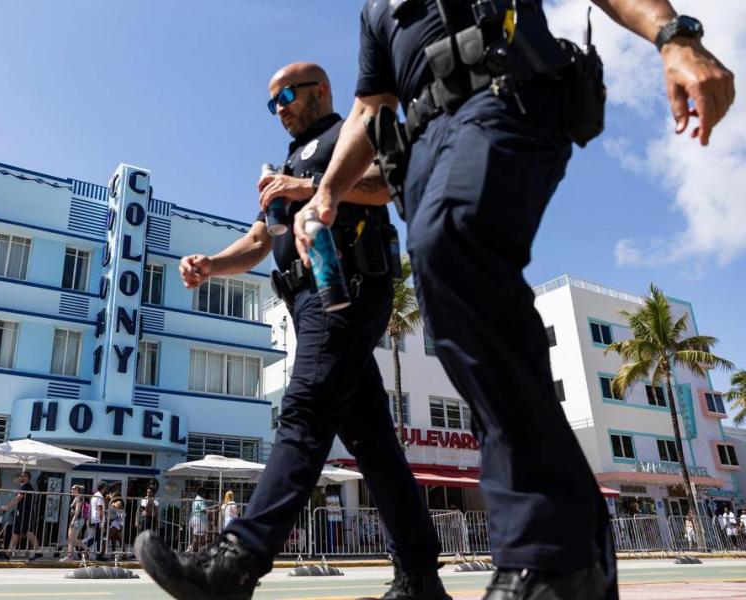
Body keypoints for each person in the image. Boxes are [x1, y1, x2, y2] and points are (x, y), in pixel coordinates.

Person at [293, 2, 734, 598]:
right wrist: (325, 194)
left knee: (450, 241)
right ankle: (575, 553)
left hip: (507, 98)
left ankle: (549, 548)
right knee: (456, 308)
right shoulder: (376, 12)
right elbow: (372, 109)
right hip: (425, 154)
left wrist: (675, 38)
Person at [136, 61, 445, 600]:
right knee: (375, 446)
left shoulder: (344, 134)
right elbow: (259, 241)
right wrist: (210, 263)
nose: (278, 110)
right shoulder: (283, 161)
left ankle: (236, 564)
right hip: (305, 300)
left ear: (320, 90)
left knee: (303, 412)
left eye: (286, 97)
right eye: (270, 103)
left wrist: (308, 187)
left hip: (345, 286)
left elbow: (388, 185)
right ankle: (419, 577)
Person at [0, 471, 41, 561]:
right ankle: (8, 553)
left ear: (28, 478)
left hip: (25, 514)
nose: (21, 477)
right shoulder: (25, 486)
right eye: (20, 476)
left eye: (24, 476)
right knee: (20, 532)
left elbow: (18, 498)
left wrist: (7, 506)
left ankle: (8, 553)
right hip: (24, 513)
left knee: (23, 533)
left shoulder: (26, 486)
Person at [60, 484, 88, 562]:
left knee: (71, 538)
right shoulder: (76, 498)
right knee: (72, 539)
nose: (71, 490)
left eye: (72, 489)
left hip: (77, 520)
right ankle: (85, 550)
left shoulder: (79, 497)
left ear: (76, 490)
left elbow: (78, 510)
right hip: (76, 520)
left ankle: (70, 556)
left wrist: (73, 520)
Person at [88, 482, 106, 560]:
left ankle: (83, 546)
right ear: (103, 488)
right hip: (98, 519)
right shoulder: (100, 497)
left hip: (94, 519)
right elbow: (100, 509)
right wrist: (102, 521)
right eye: (105, 488)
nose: (106, 489)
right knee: (98, 538)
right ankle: (99, 555)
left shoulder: (94, 496)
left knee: (97, 537)